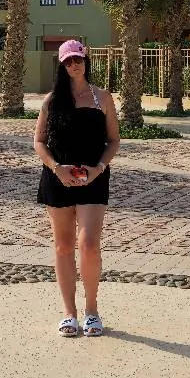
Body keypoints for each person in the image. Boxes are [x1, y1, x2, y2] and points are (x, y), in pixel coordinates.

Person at [33, 38, 120, 338]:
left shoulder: (102, 98)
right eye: (68, 61)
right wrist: (57, 169)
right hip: (57, 179)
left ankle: (92, 310)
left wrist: (98, 169)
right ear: (61, 65)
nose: (74, 64)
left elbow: (114, 141)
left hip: (93, 180)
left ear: (86, 60)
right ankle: (69, 313)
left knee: (89, 245)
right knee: (63, 246)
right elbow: (39, 142)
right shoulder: (51, 101)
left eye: (78, 59)